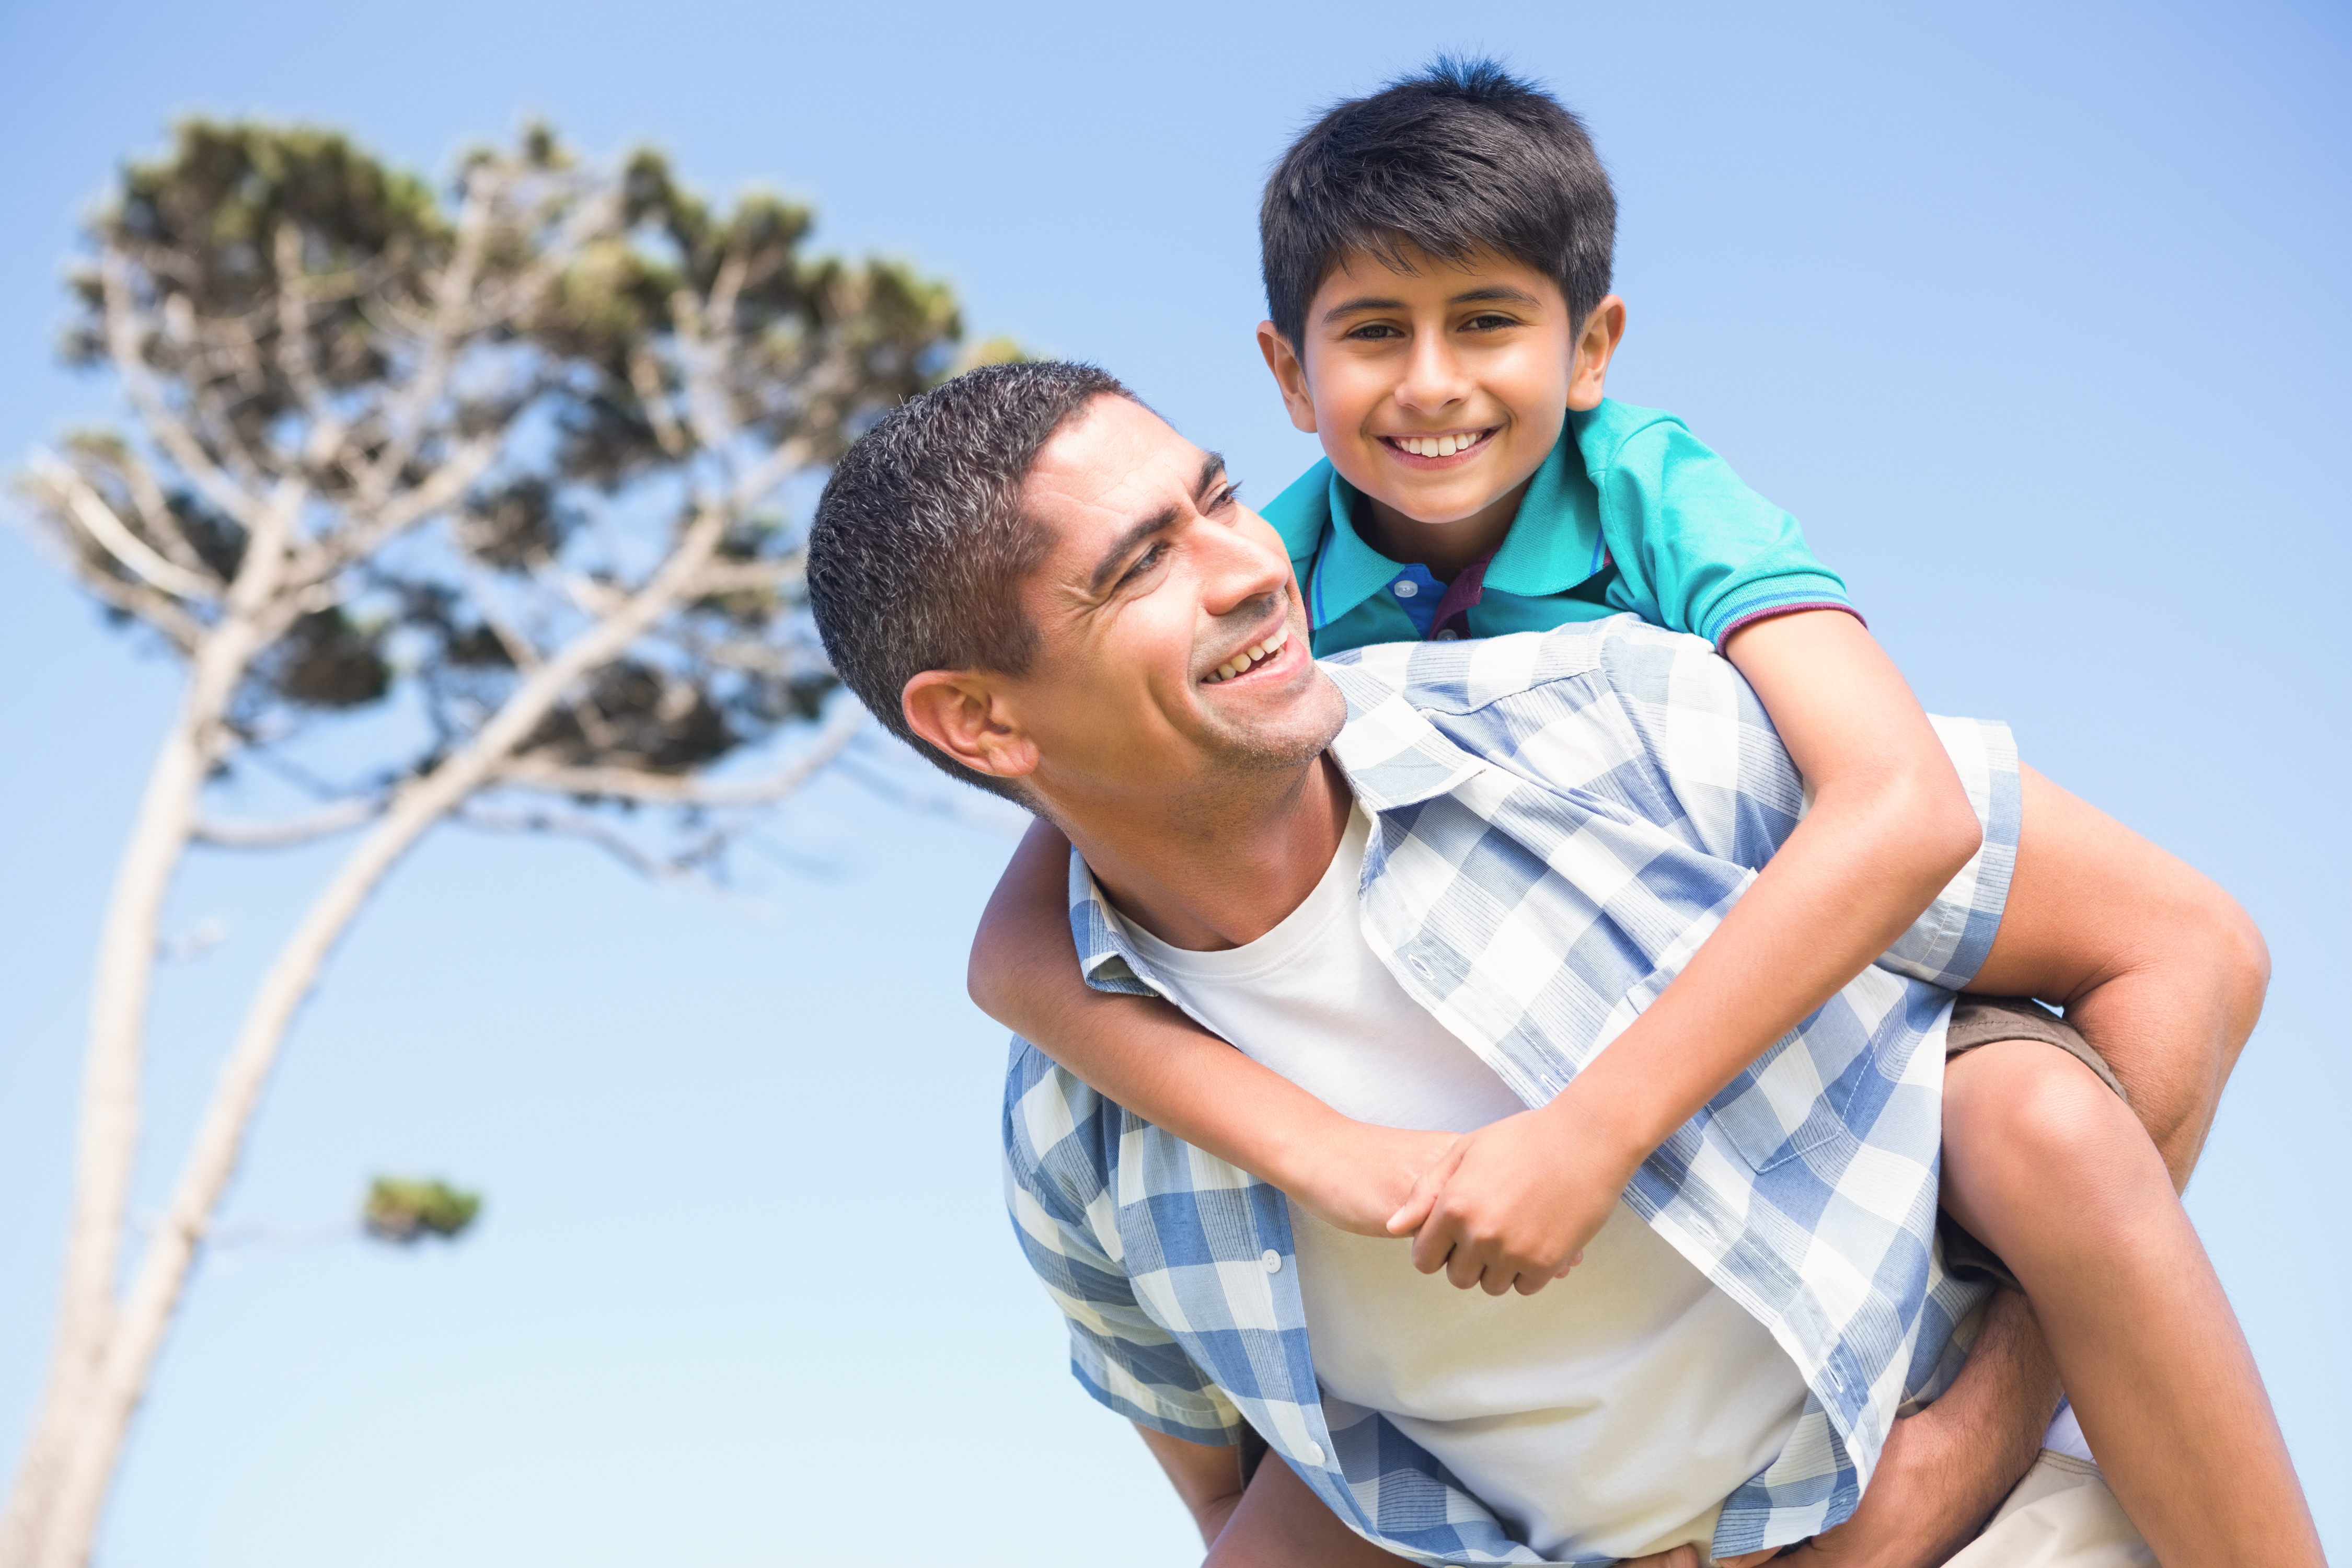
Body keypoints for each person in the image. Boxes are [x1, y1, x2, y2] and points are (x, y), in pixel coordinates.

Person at [804, 365, 2322, 1564]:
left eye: (1213, 497)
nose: (1250, 565)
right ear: (983, 726)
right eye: (1142, 563)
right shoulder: (1081, 1143)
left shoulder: (1618, 730)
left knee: (2039, 1119)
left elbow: (2181, 950)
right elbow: (1251, 1510)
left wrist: (1944, 1466)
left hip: (1998, 1533)